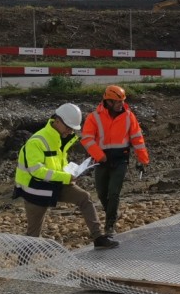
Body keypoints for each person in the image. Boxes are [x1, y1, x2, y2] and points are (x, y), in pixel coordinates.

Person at [13, 102, 119, 249]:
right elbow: (37, 171)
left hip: (55, 183)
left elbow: (56, 164)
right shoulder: (37, 141)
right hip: (35, 189)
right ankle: (23, 264)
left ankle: (98, 237)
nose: (70, 132)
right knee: (33, 235)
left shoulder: (60, 139)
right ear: (57, 121)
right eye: (68, 127)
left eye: (72, 129)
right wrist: (65, 177)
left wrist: (70, 172)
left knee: (84, 198)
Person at [80, 84, 150, 238]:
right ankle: (112, 212)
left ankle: (110, 224)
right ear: (108, 102)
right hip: (101, 160)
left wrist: (143, 159)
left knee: (114, 193)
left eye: (122, 101)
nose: (121, 105)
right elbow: (87, 139)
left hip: (120, 160)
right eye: (118, 102)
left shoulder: (128, 116)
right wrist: (100, 156)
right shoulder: (94, 117)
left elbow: (137, 138)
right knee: (101, 193)